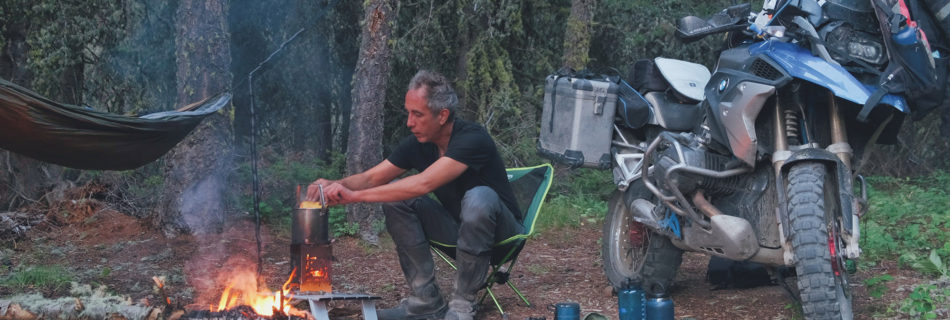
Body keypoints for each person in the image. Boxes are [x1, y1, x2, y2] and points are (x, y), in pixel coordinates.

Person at [307, 70, 522, 320]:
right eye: (408, 113)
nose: (409, 122)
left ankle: (462, 305)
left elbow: (423, 183)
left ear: (442, 115)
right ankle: (425, 300)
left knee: (479, 197)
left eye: (417, 114)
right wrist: (335, 185)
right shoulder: (419, 144)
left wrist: (355, 196)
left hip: (502, 237)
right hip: (461, 234)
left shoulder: (473, 138)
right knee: (397, 198)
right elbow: (371, 178)